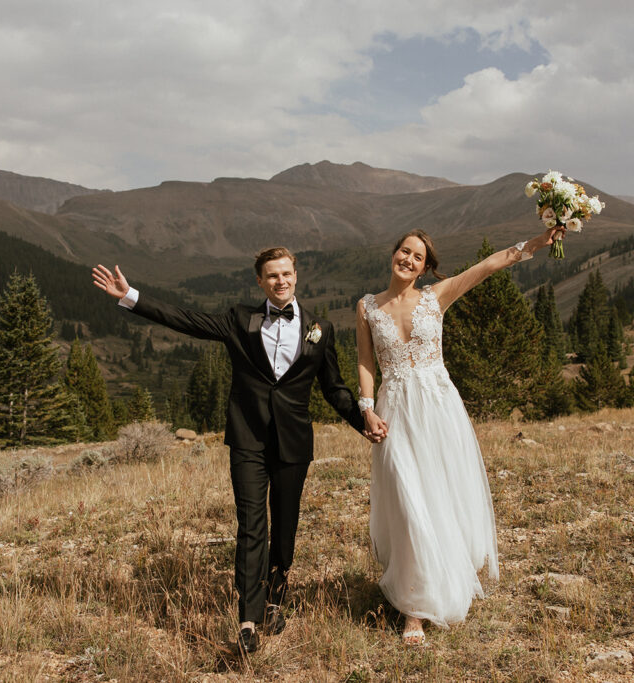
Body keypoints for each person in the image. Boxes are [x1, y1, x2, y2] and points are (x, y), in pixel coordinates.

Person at [92, 248, 385, 655]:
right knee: (251, 525)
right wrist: (131, 296)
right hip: (248, 439)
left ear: (296, 276)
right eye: (272, 276)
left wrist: (363, 420)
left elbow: (334, 389)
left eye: (286, 274)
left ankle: (273, 602)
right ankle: (247, 619)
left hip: (294, 443)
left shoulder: (321, 328)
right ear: (260, 281)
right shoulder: (238, 319)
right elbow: (187, 320)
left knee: (285, 527)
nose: (280, 281)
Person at [356, 227, 563, 644]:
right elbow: (365, 362)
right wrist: (366, 409)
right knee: (406, 498)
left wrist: (537, 243)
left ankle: (417, 607)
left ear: (424, 268)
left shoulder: (436, 296)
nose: (408, 260)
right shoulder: (366, 307)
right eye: (404, 251)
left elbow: (488, 265)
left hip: (437, 408)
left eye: (418, 257)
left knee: (437, 494)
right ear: (393, 253)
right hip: (394, 412)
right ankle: (415, 603)